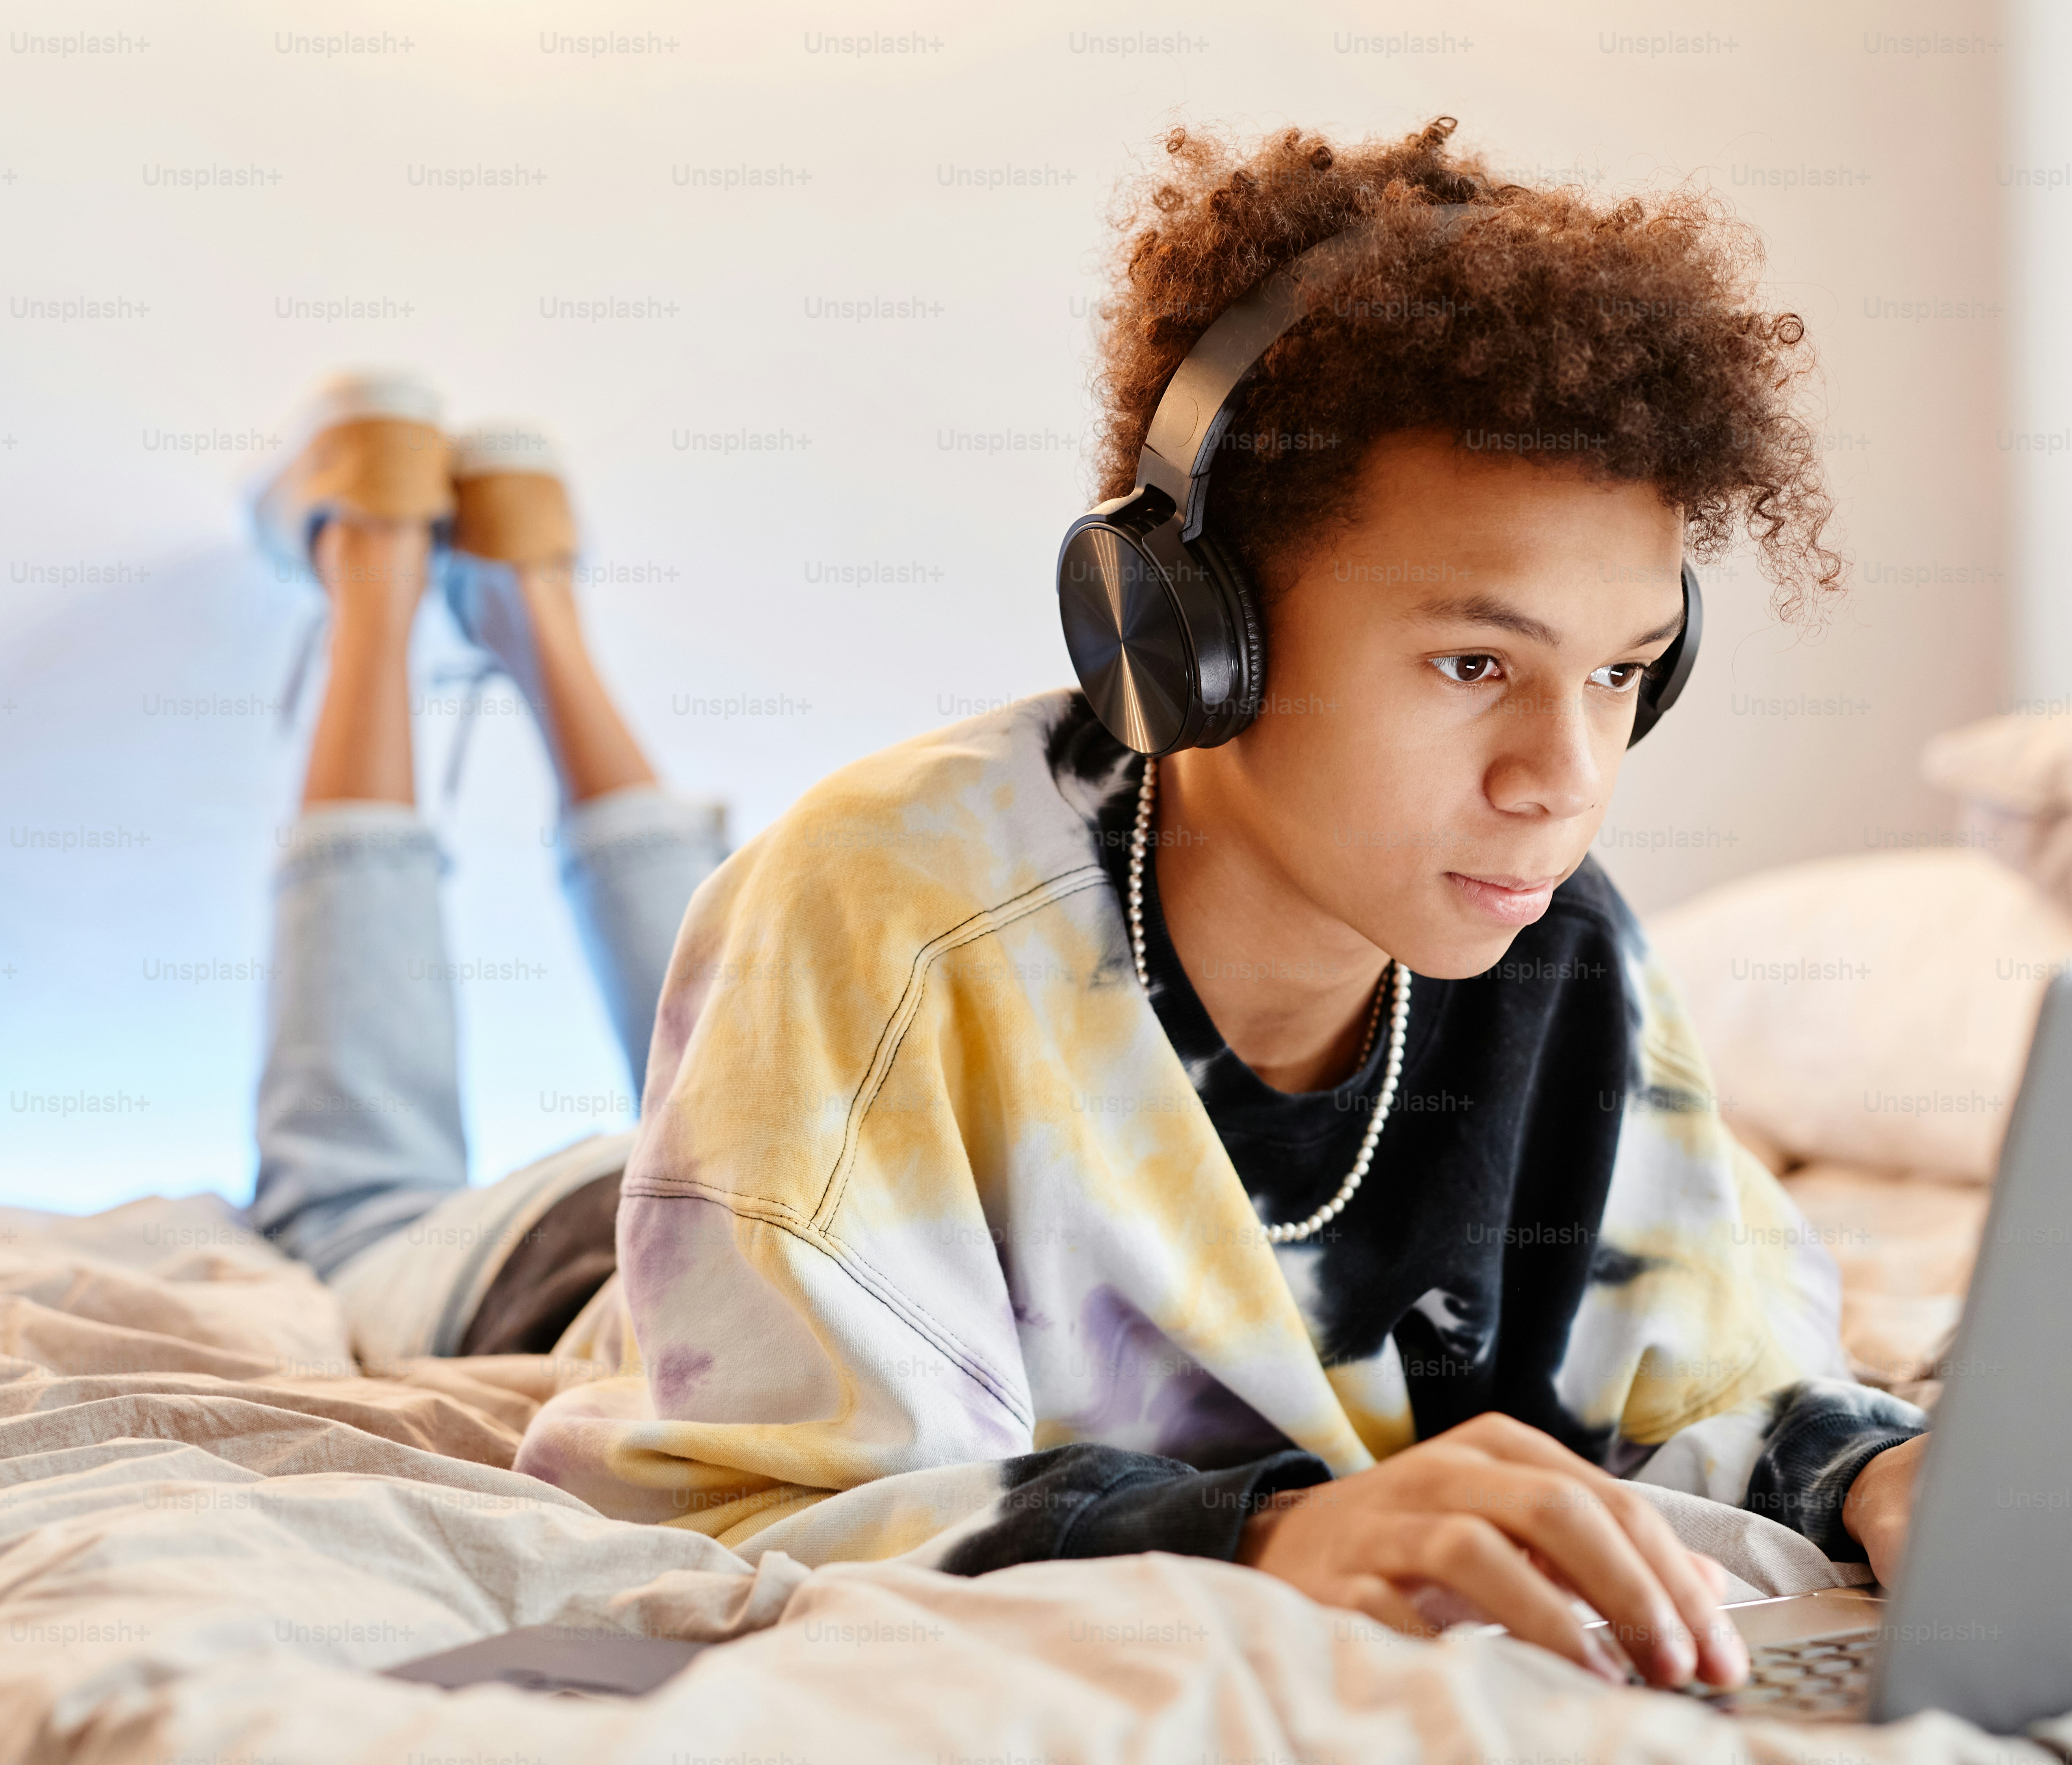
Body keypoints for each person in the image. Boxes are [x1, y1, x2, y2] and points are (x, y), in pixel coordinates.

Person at [495, 119, 1930, 1695]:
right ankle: (461, 600)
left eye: (1620, 672)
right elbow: (736, 1499)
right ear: (1184, 636)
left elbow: (1702, 1363)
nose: (1563, 774)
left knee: (734, 978)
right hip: (575, 1251)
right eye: (1474, 664)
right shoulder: (876, 899)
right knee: (347, 1180)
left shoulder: (1556, 939)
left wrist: (1869, 1474)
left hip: (810, 1111)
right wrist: (1262, 1535)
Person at [240, 371, 723, 1363]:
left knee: (748, 1097)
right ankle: (410, 567)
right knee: (353, 1209)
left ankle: (513, 583)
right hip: (639, 1268)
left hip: (702, 1212)